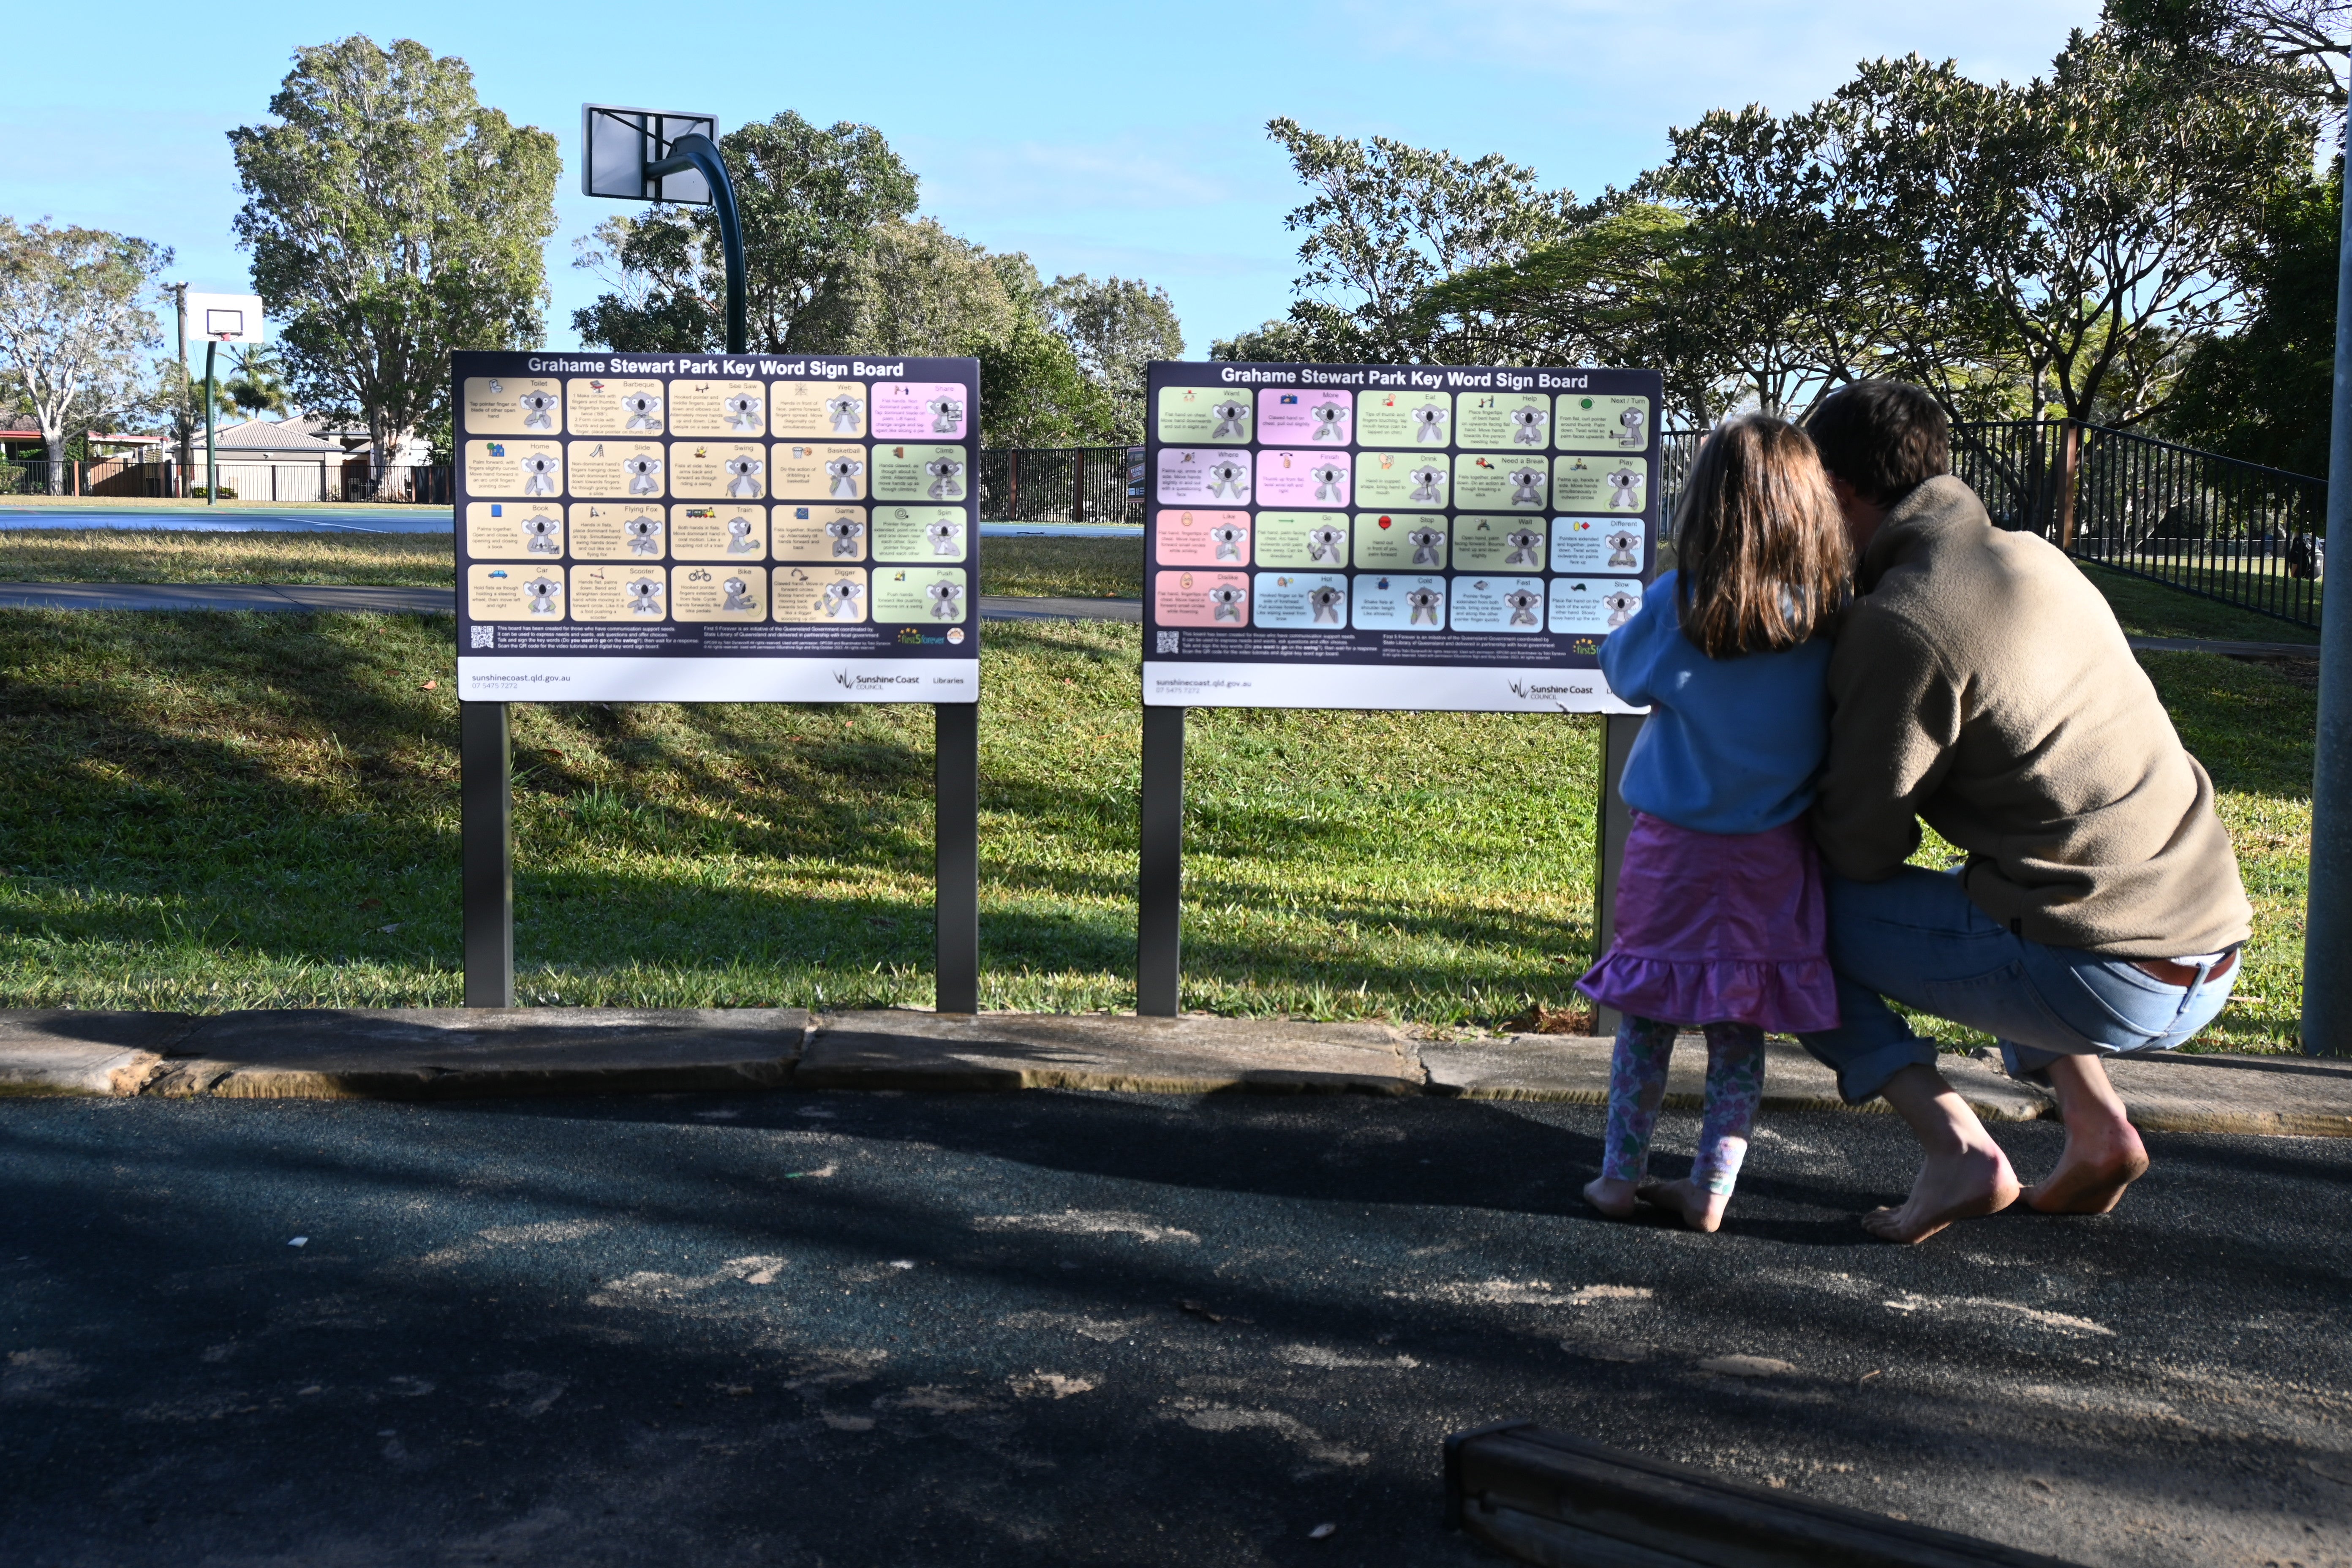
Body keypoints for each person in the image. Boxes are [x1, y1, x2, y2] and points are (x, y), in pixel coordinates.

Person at [1796, 381, 2251, 1244]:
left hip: (2105, 972)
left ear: (1840, 492)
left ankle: (1957, 1146)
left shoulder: (1904, 622)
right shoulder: (2033, 558)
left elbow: (1859, 848)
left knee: (1781, 916)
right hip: (2211, 944)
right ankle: (2095, 1128)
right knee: (2017, 882)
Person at [1579, 415, 1851, 1232]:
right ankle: (1713, 1190)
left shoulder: (1682, 602)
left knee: (1649, 1018)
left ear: (1708, 508)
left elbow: (1623, 674)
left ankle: (1618, 1179)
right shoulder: (1831, 616)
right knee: (1740, 1030)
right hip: (1775, 852)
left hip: (1673, 850)